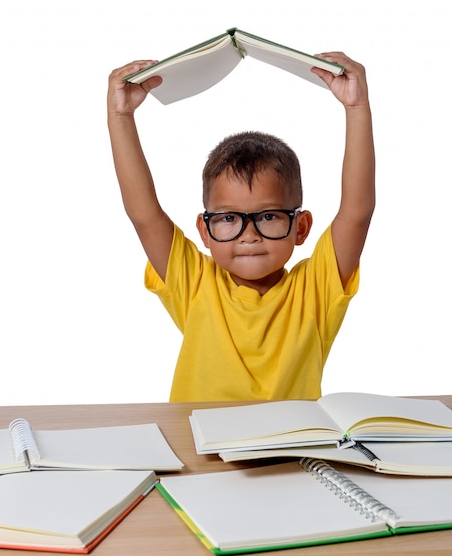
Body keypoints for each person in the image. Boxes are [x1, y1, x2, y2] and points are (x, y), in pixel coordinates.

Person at [107, 51, 375, 401]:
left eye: (267, 216)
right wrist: (120, 115)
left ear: (301, 227)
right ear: (205, 231)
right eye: (229, 218)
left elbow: (356, 212)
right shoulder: (196, 284)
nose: (249, 235)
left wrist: (356, 108)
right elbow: (144, 214)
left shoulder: (316, 290)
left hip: (289, 450)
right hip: (202, 449)